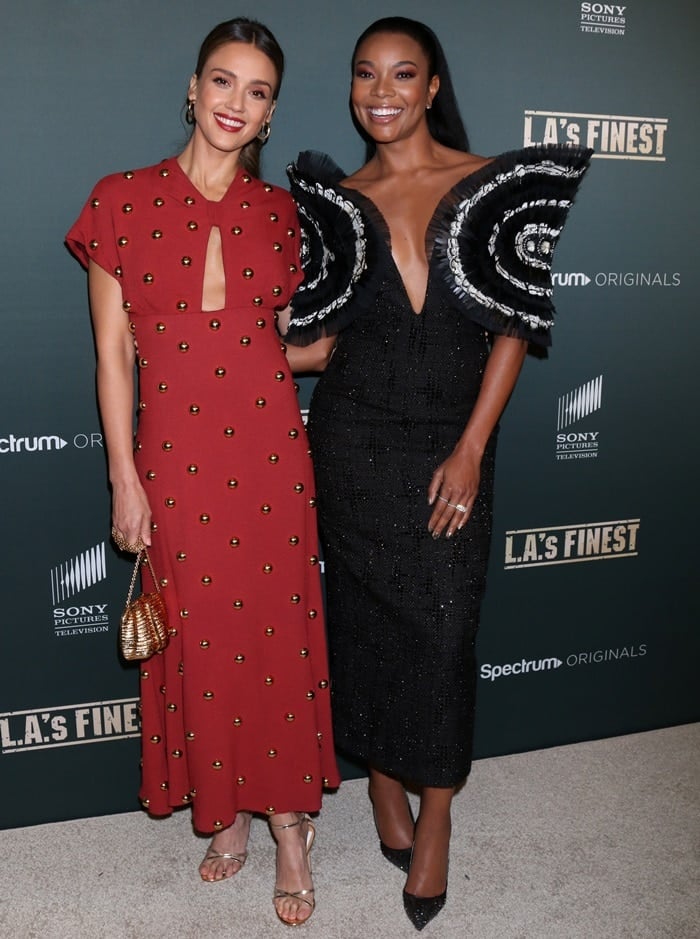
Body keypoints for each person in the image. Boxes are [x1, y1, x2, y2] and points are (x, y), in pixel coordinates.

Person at [281, 16, 591, 930]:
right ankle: (383, 780)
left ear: (430, 86)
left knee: (447, 631)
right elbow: (326, 341)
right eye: (365, 74)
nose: (381, 91)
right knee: (368, 623)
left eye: (402, 74)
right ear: (352, 88)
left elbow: (513, 327)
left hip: (452, 442)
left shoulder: (492, 184)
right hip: (351, 439)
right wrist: (214, 342)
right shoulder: (336, 199)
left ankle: (439, 808)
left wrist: (471, 446)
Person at [66, 17, 339, 927]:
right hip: (174, 459)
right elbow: (114, 359)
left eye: (256, 91)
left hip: (269, 452)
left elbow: (285, 343)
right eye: (223, 83)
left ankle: (290, 826)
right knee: (205, 639)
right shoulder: (121, 200)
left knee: (275, 634)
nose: (236, 104)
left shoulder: (283, 216)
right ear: (192, 89)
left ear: (270, 112)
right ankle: (224, 815)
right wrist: (124, 478)